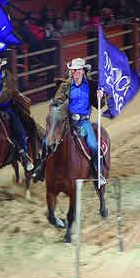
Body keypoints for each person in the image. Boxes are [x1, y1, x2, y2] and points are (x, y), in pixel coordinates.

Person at [32, 57, 106, 185]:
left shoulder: (91, 85)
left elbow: (99, 105)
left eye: (77, 70)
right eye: (73, 70)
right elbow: (58, 100)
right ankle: (41, 168)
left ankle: (97, 173)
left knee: (93, 146)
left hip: (83, 122)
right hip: (67, 121)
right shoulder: (66, 85)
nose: (75, 72)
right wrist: (58, 106)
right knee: (46, 141)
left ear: (83, 70)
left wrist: (101, 97)